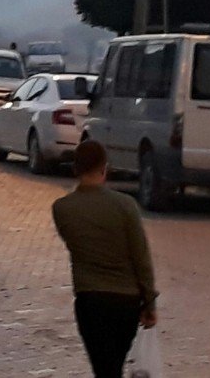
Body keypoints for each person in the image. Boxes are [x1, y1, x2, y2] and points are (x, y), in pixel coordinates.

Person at [51, 140, 157, 378]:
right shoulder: (125, 206)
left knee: (103, 368)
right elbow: (141, 259)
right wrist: (149, 302)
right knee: (113, 366)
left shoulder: (62, 208)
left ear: (75, 168)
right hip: (126, 302)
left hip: (90, 300)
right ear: (104, 168)